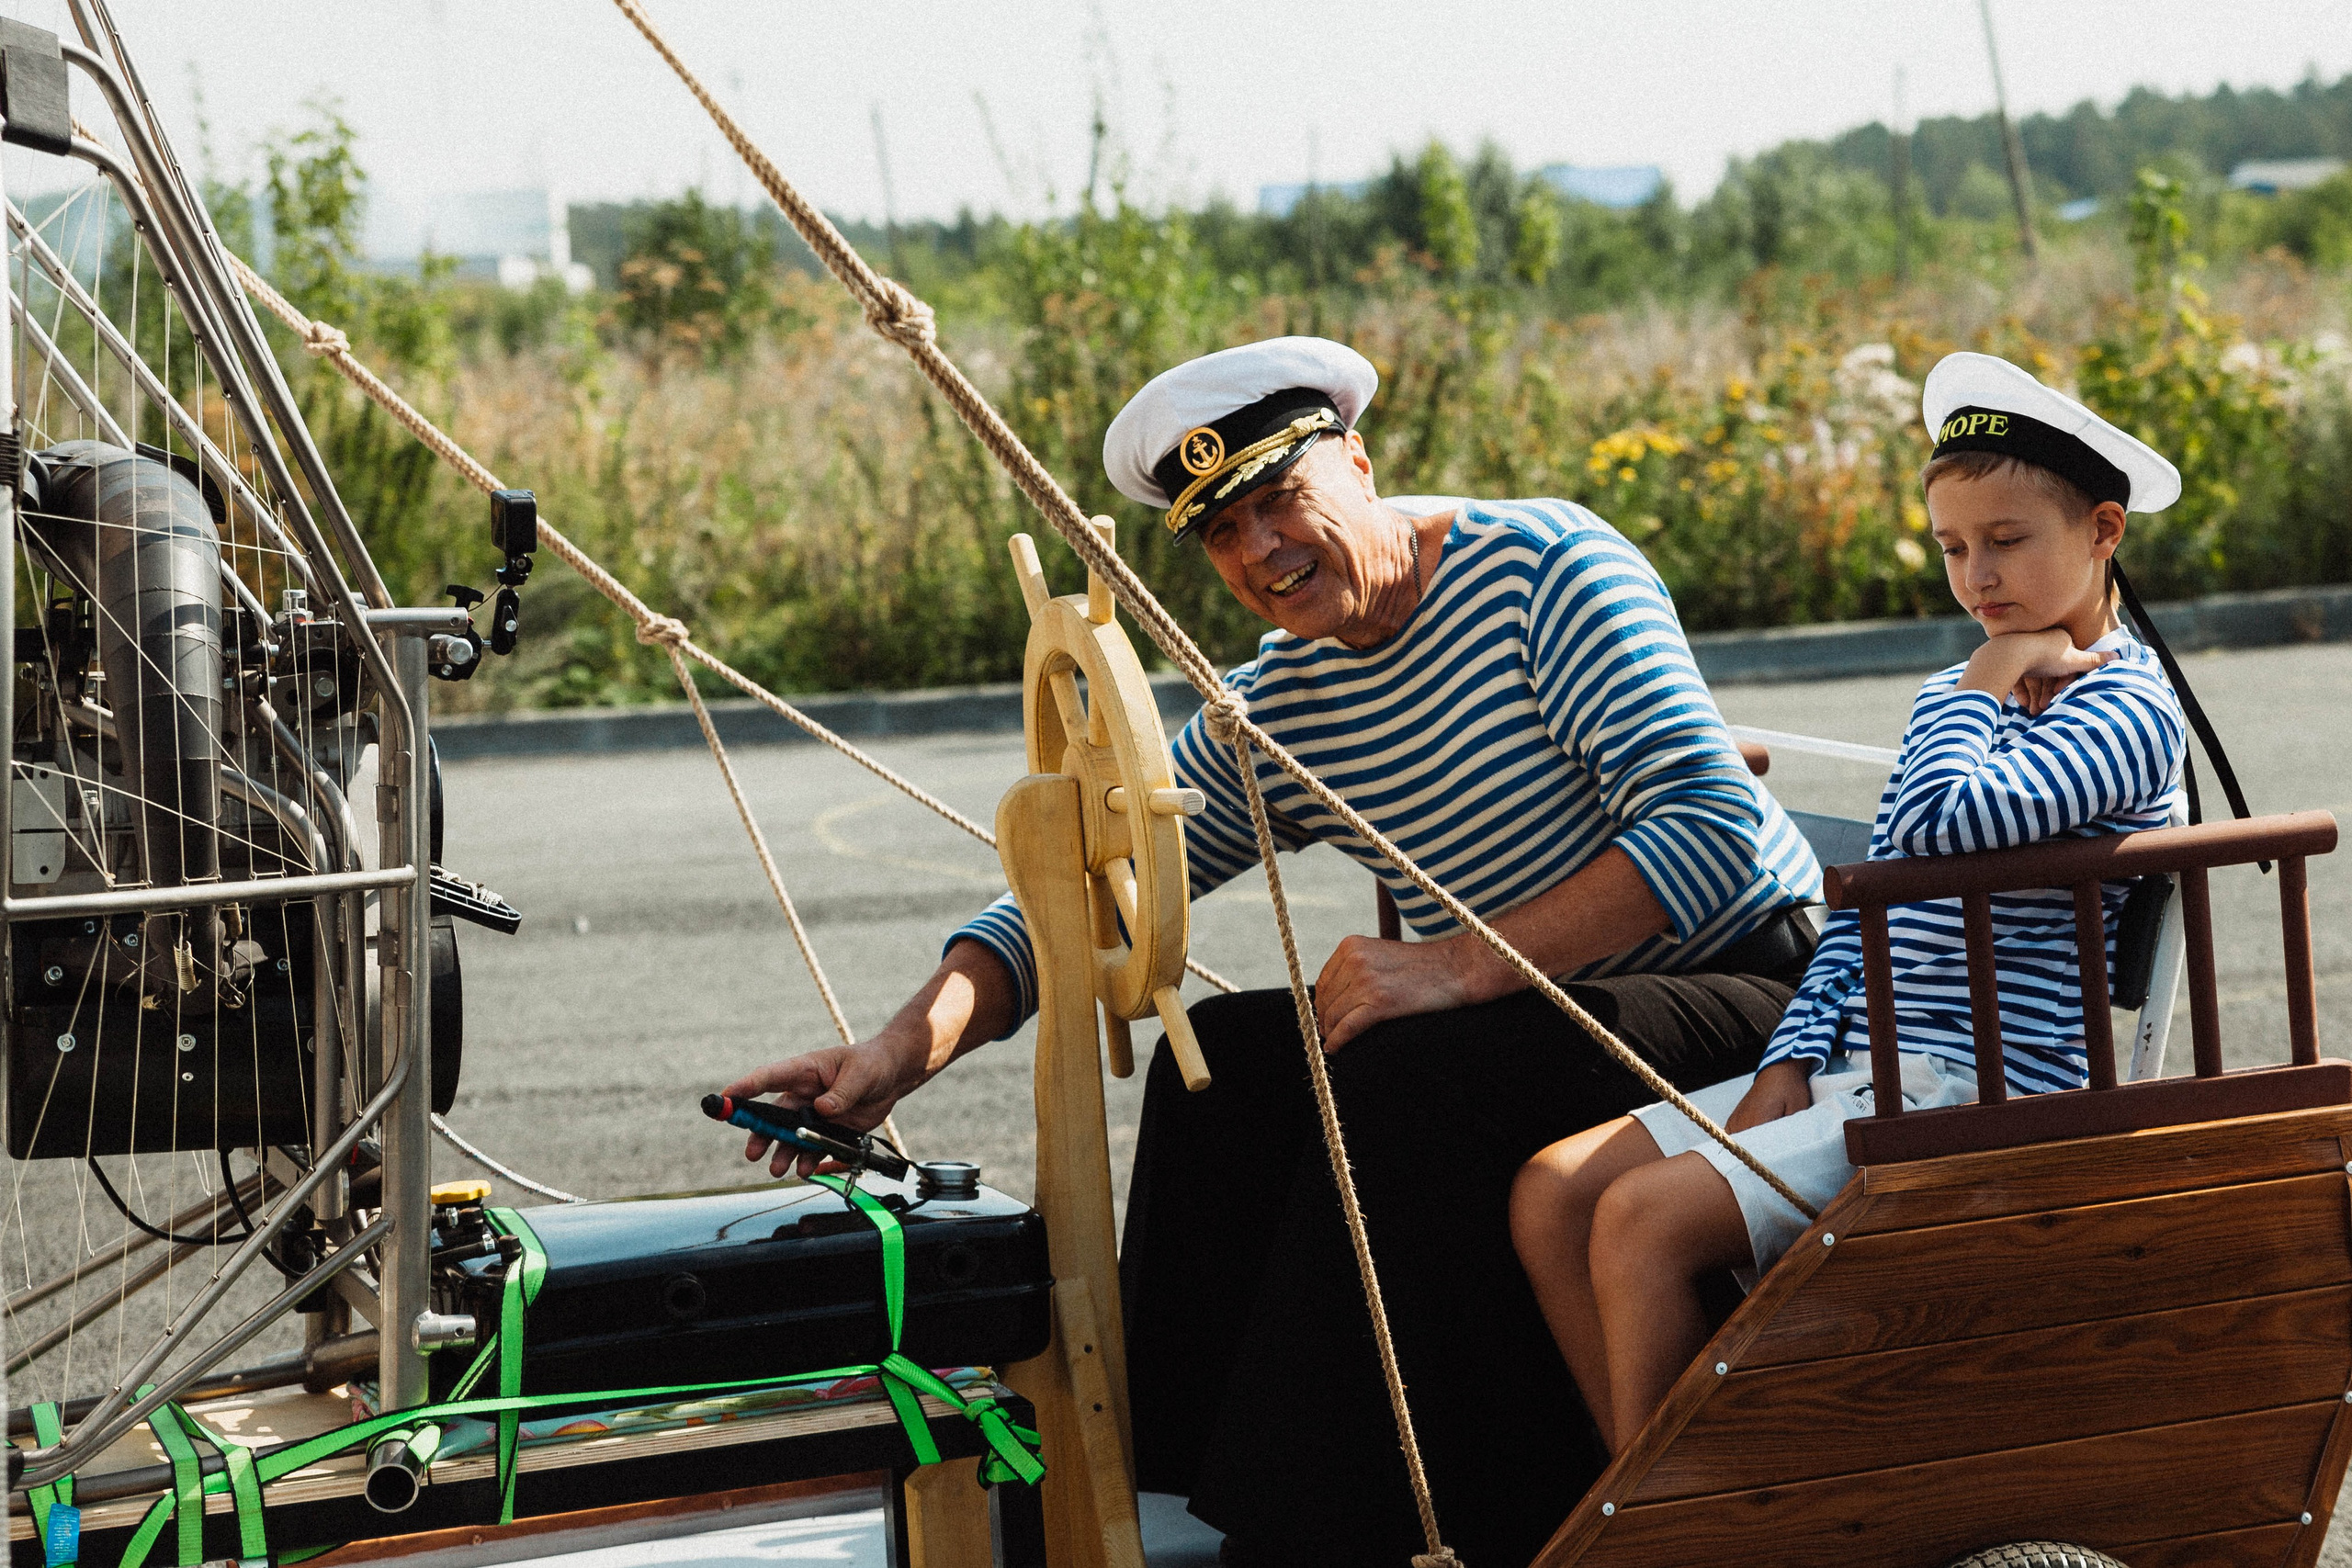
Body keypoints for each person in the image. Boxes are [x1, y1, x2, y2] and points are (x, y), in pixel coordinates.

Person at [724, 335, 1822, 1567]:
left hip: (1751, 993)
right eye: (1220, 532)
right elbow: (1097, 900)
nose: (1258, 552)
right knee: (1234, 1065)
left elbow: (1713, 831)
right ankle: (1176, 1491)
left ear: (1358, 461)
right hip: (1546, 1007)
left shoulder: (1548, 571)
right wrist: (890, 1055)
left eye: (1278, 500)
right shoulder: (1290, 691)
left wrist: (1456, 964)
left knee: (1408, 1078)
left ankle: (1384, 1525)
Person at [1510, 351, 2190, 1456]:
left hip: (1986, 1087)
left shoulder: (2126, 708)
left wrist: (1977, 684)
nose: (1977, 578)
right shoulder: (1963, 689)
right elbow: (1872, 908)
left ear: (2104, 530)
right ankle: (1643, 1499)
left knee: (1639, 1220)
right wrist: (1790, 1055)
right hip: (1862, 1067)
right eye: (1952, 548)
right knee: (1554, 1193)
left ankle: (1679, 1527)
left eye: (2007, 541)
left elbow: (1936, 832)